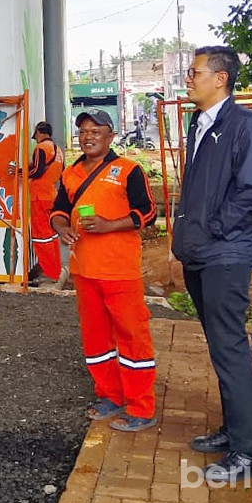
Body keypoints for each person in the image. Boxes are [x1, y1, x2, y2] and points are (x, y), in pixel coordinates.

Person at [171, 46, 252, 484]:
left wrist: (212, 228)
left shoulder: (244, 125)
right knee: (219, 346)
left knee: (229, 349)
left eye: (195, 72)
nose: (188, 79)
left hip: (226, 254)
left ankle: (249, 450)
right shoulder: (200, 123)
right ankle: (237, 428)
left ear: (221, 78)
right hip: (199, 253)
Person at [50, 110, 158, 433]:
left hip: (120, 271)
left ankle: (141, 407)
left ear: (110, 136)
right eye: (83, 131)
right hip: (84, 270)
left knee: (132, 337)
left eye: (96, 131)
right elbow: (58, 211)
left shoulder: (128, 170)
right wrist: (62, 229)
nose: (88, 137)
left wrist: (110, 225)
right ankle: (109, 395)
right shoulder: (70, 174)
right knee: (96, 337)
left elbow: (148, 212)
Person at [27, 121, 65, 283]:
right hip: (51, 195)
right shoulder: (58, 150)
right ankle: (56, 270)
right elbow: (61, 173)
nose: (35, 138)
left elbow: (37, 171)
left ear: (39, 132)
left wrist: (19, 172)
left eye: (36, 134)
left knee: (41, 236)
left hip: (39, 197)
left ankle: (49, 273)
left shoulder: (41, 148)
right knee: (51, 235)